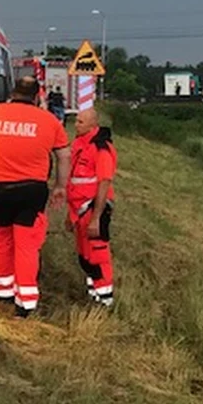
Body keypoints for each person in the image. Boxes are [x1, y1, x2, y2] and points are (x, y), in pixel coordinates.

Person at [0, 76, 69, 317]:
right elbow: (63, 156)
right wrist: (60, 186)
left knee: (0, 240)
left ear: (12, 92)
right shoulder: (50, 121)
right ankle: (26, 302)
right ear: (37, 96)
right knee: (27, 245)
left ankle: (3, 290)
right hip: (32, 192)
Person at [65, 106, 118, 307]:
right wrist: (70, 216)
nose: (75, 125)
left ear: (92, 124)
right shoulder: (80, 144)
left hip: (94, 209)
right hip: (79, 210)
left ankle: (105, 299)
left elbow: (104, 182)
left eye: (80, 122)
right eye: (76, 120)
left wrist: (96, 217)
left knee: (98, 254)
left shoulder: (101, 148)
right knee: (85, 254)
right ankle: (94, 292)